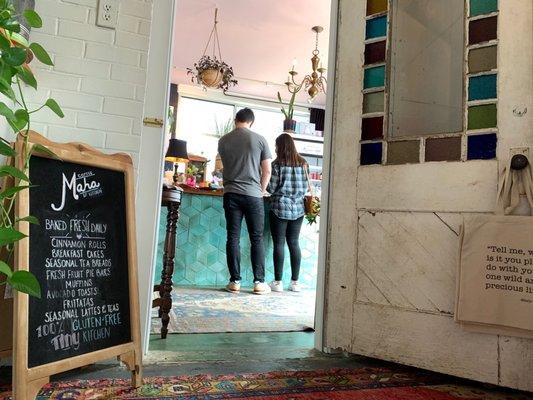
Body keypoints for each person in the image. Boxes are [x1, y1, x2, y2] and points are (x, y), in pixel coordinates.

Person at [218, 108, 272, 295]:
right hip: (253, 195)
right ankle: (259, 282)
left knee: (232, 237)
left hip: (231, 193)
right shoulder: (259, 139)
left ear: (235, 120)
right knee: (256, 238)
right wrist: (262, 190)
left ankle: (235, 282)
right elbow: (267, 171)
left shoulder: (223, 140)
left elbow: (223, 166)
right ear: (252, 121)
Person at [267, 133, 308, 293]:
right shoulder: (303, 163)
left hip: (279, 207)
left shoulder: (277, 164)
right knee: (294, 243)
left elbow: (271, 188)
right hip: (298, 208)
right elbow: (305, 187)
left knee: (279, 243)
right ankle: (295, 283)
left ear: (280, 147)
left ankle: (278, 282)